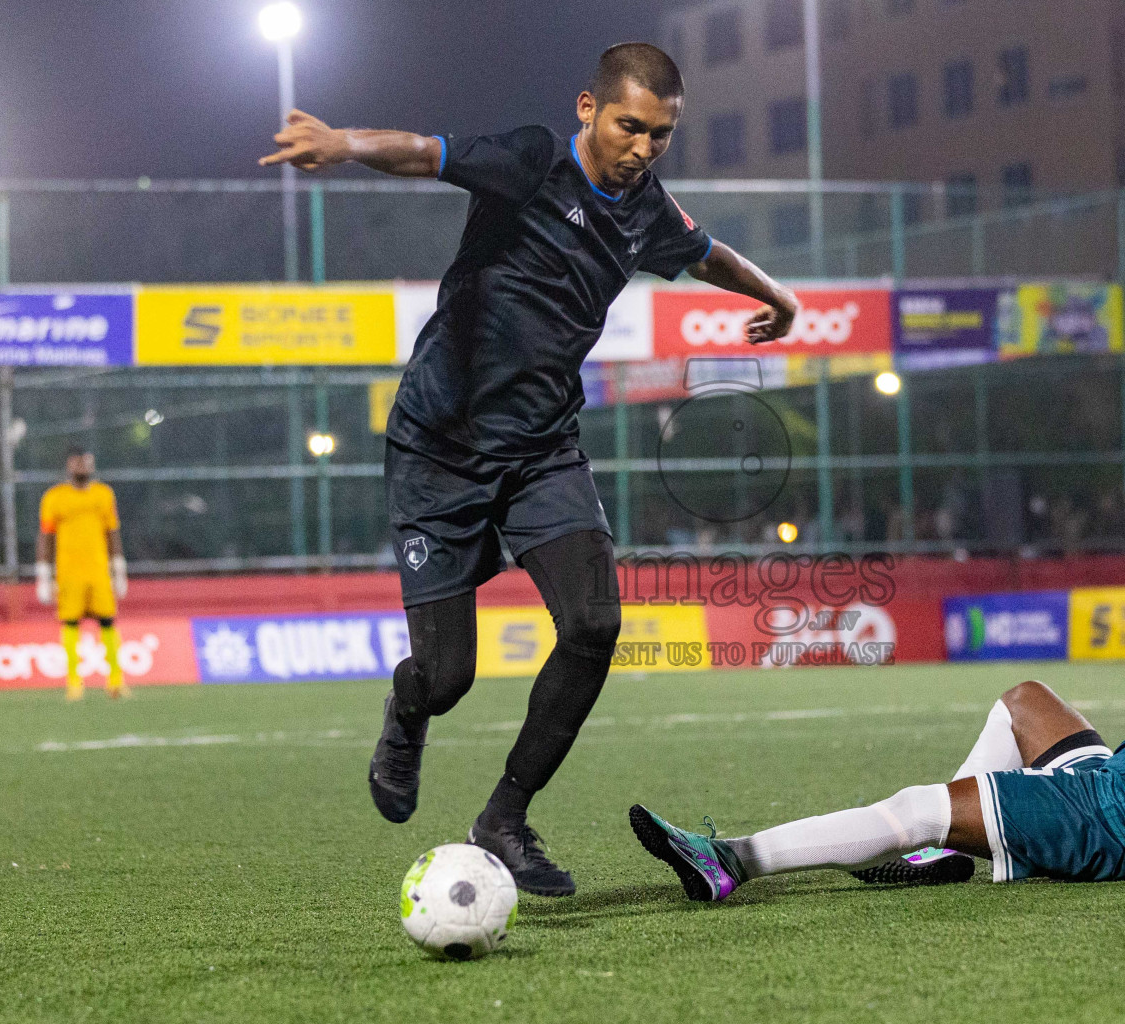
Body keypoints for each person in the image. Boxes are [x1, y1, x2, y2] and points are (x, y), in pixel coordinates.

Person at [260, 43, 799, 896]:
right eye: (630, 127)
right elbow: (427, 151)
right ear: (589, 109)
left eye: (660, 135)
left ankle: (504, 818)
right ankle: (407, 713)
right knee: (448, 677)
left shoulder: (646, 207)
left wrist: (778, 296)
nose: (643, 148)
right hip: (439, 446)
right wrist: (345, 142)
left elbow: (706, 254)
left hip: (544, 447)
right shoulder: (531, 161)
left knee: (594, 626)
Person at [630, 488, 1125, 900]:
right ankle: (945, 850)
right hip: (1116, 791)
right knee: (1023, 696)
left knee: (914, 801)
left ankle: (733, 859)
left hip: (1121, 829)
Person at [35, 448, 129, 701]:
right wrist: (43, 573)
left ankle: (116, 679)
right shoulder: (55, 497)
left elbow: (112, 532)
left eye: (87, 462)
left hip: (98, 570)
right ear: (68, 465)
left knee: (107, 620)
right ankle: (74, 681)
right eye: (78, 462)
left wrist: (118, 567)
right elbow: (46, 536)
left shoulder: (103, 494)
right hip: (68, 572)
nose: (83, 467)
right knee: (70, 622)